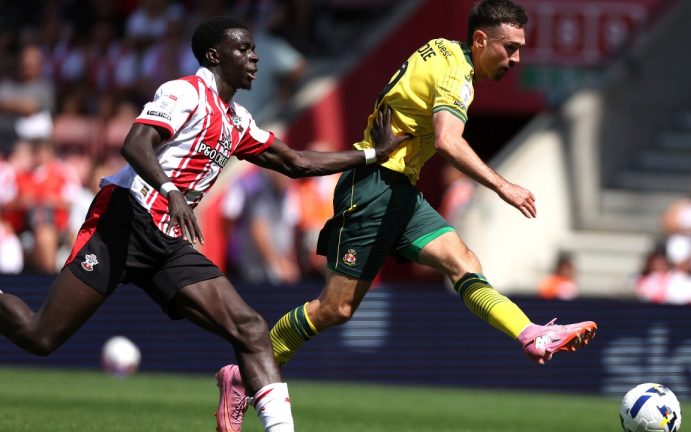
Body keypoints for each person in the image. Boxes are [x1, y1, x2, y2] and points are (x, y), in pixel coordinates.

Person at [0, 16, 407, 432]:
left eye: (253, 49)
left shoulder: (236, 120)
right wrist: (171, 190)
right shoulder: (184, 93)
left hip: (170, 240)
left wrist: (372, 155)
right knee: (40, 337)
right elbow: (135, 144)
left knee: (249, 328)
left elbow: (295, 161)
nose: (255, 56)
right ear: (215, 56)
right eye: (244, 49)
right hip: (124, 220)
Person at [218, 2, 597, 430]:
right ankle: (244, 374)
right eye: (509, 48)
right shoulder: (458, 76)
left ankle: (530, 334)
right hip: (373, 187)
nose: (516, 59)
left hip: (399, 190)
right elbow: (448, 141)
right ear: (480, 40)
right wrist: (503, 185)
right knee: (335, 309)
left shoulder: (442, 49)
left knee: (464, 261)